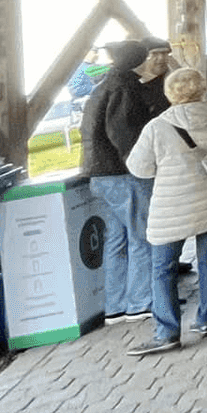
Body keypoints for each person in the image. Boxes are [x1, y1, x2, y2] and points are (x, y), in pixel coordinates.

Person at [122, 65, 207, 355]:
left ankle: (167, 332)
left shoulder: (157, 127)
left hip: (171, 209)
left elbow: (139, 168)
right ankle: (205, 320)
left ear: (169, 93)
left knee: (162, 269)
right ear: (201, 89)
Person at [81, 38, 172, 323]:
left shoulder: (105, 85)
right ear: (139, 59)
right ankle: (141, 302)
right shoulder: (125, 87)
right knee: (142, 237)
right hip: (123, 174)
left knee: (117, 241)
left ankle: (116, 305)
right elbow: (123, 134)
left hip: (101, 174)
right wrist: (141, 165)